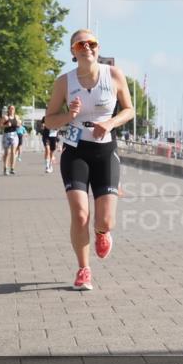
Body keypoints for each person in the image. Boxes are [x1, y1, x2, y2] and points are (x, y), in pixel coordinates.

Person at [44, 30, 134, 291]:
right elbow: (49, 120)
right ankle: (84, 270)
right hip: (75, 151)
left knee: (105, 220)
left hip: (105, 151)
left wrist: (109, 122)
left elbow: (129, 110)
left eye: (92, 43)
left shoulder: (114, 75)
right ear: (73, 51)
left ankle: (102, 233)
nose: (87, 48)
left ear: (97, 47)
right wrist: (68, 115)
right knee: (80, 214)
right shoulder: (64, 82)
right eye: (81, 44)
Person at [0, 104, 20, 175]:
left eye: (13, 109)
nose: (12, 110)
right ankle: (5, 168)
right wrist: (6, 125)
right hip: (7, 135)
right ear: (8, 110)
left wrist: (19, 124)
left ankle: (12, 168)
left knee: (13, 152)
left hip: (15, 135)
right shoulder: (5, 117)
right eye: (11, 109)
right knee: (7, 153)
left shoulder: (16, 117)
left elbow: (19, 124)